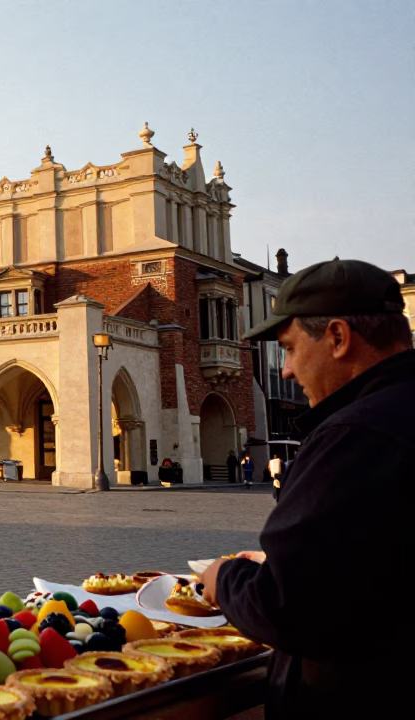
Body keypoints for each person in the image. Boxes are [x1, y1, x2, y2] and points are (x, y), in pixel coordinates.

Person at [200, 259, 411, 718]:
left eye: (291, 349)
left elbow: (289, 606)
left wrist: (225, 578)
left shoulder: (357, 434)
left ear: (338, 337)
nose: (289, 370)